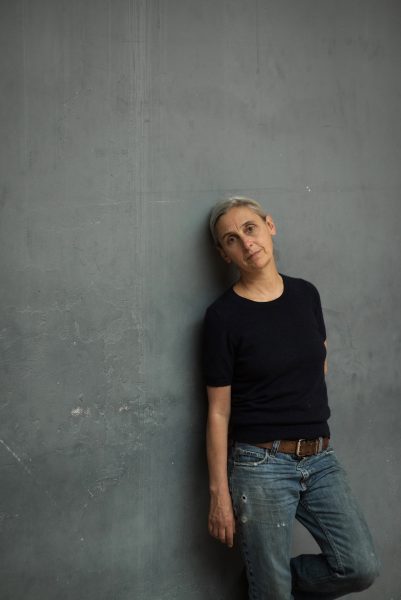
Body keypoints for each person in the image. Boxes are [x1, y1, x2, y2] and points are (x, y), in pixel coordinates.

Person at [202, 197, 379, 599]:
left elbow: (320, 361)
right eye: (231, 239)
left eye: (250, 228)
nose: (246, 243)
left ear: (269, 225)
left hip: (320, 457)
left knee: (359, 566)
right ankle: (269, 584)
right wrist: (219, 496)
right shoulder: (223, 317)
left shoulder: (305, 294)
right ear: (223, 253)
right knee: (273, 592)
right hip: (260, 463)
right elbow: (217, 412)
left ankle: (266, 581)